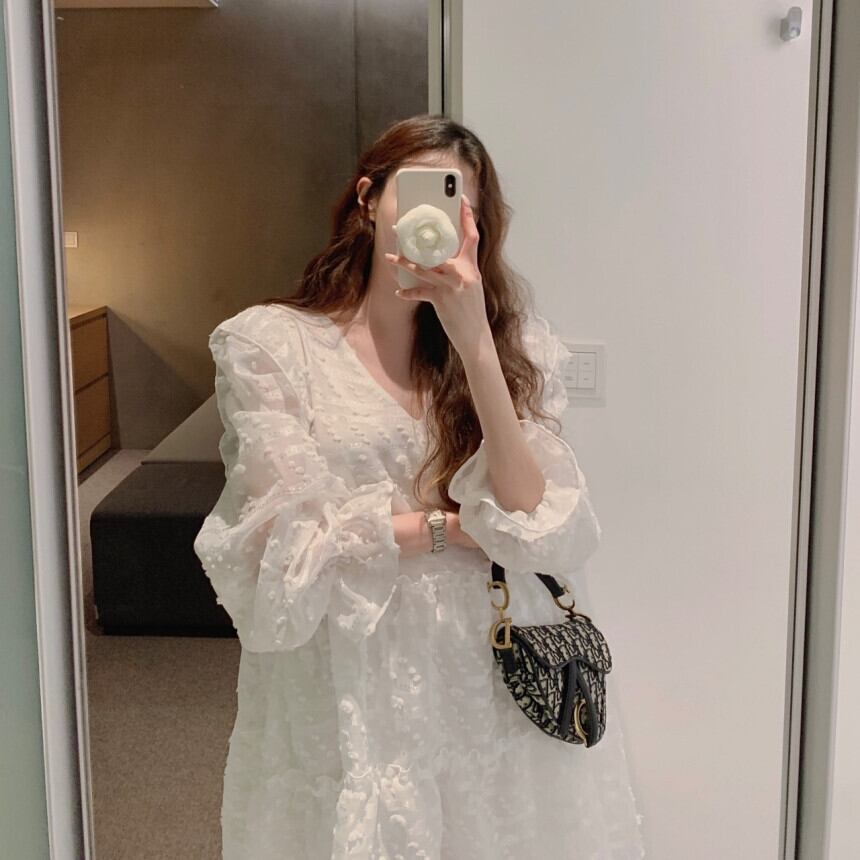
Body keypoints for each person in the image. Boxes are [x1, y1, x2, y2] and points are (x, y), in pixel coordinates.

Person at [193, 114, 645, 859]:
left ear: (477, 226)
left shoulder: (516, 346)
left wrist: (473, 341)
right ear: (368, 200)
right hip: (350, 669)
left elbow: (537, 523)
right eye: (419, 192)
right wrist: (449, 528)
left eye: (459, 202)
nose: (435, 218)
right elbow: (283, 550)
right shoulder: (271, 346)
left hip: (481, 667)